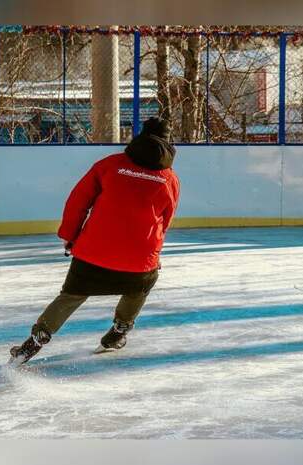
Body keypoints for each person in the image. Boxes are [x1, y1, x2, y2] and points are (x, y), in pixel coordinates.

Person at [9, 117, 180, 365]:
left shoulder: (110, 165)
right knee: (142, 284)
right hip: (139, 258)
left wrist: (70, 236)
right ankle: (118, 332)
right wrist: (152, 255)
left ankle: (36, 340)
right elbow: (165, 220)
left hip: (94, 252)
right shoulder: (170, 179)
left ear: (140, 136)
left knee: (71, 295)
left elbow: (78, 202)